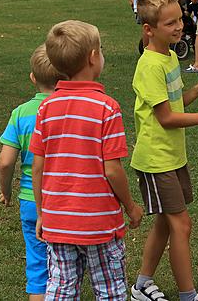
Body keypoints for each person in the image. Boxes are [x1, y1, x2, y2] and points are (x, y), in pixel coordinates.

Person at [30, 20, 144, 300]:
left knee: (61, 289)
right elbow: (113, 169)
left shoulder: (47, 108)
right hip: (100, 223)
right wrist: (130, 206)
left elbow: (38, 167)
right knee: (110, 290)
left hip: (58, 221)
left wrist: (43, 213)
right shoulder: (107, 108)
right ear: (94, 58)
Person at [130, 0, 198, 301]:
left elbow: (174, 104)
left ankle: (141, 285)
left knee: (165, 221)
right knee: (181, 224)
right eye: (170, 23)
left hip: (173, 157)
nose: (179, 27)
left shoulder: (171, 56)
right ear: (149, 30)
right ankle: (188, 295)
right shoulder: (149, 66)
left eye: (180, 20)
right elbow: (166, 119)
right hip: (155, 159)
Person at [0, 44, 66, 301]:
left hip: (30, 200)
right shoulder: (69, 110)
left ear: (33, 78)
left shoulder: (20, 113)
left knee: (38, 267)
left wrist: (6, 192)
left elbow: (5, 163)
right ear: (66, 77)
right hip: (65, 198)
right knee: (67, 267)